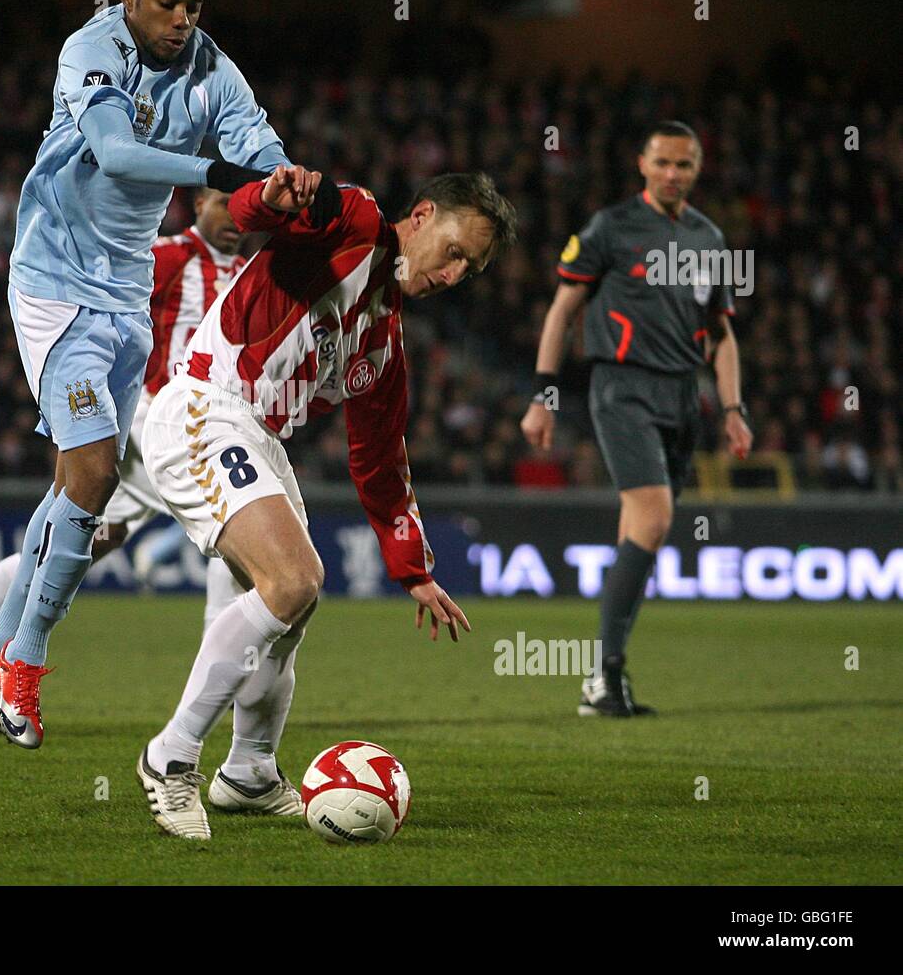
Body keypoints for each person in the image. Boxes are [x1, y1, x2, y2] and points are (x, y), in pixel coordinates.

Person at [0, 0, 333, 751]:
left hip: (128, 296)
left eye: (193, 5)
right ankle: (22, 657)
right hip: (55, 285)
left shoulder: (212, 68)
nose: (181, 19)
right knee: (97, 473)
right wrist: (226, 175)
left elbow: (255, 138)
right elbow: (115, 152)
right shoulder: (90, 49)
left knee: (75, 480)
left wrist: (279, 175)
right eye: (167, 2)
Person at [136, 167, 517, 839]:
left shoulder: (384, 341)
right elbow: (265, 207)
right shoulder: (359, 221)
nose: (455, 274)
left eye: (471, 269)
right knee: (294, 577)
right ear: (423, 215)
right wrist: (271, 193)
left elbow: (379, 457)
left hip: (257, 437)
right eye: (456, 251)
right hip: (203, 405)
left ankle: (248, 772)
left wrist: (413, 567)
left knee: (293, 605)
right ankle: (169, 756)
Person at [0, 189, 254, 725]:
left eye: (244, 206)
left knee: (79, 541)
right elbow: (103, 323)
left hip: (196, 430)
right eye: (224, 201)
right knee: (239, 541)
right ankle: (208, 723)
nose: (234, 215)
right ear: (199, 200)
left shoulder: (249, 272)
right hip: (158, 424)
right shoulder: (169, 255)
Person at [521, 120, 753, 718]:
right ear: (642, 165)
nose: (674, 174)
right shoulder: (612, 228)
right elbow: (561, 311)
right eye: (664, 162)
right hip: (622, 387)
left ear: (698, 169)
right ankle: (605, 675)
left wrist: (733, 408)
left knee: (642, 531)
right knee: (654, 517)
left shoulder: (708, 239)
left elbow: (722, 335)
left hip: (685, 395)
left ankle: (604, 681)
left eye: (685, 164)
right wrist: (543, 397)